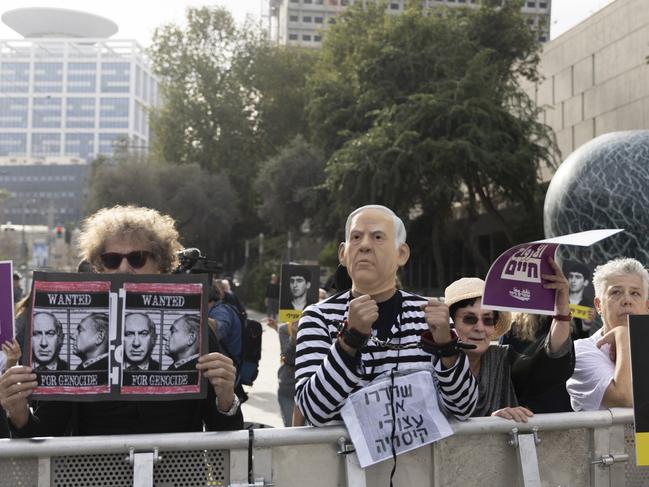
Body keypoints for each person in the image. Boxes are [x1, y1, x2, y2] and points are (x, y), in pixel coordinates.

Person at [0, 205, 242, 436]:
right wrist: (18, 412)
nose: (124, 267)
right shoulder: (75, 343)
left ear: (160, 264)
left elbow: (225, 432)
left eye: (137, 258)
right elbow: (46, 432)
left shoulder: (195, 326)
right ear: (99, 267)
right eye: (112, 260)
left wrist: (226, 397)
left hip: (178, 474)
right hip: (94, 475)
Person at [295, 204, 479, 426]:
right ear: (343, 254)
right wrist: (349, 341)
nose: (364, 245)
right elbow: (314, 412)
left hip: (420, 459)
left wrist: (447, 348)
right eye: (356, 237)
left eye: (378, 237)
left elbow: (464, 408)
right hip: (344, 460)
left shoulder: (430, 317)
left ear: (401, 253)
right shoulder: (318, 317)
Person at [444, 271, 574, 422]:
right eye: (469, 319)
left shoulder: (503, 359)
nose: (480, 328)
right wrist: (490, 422)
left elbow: (547, 367)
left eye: (488, 320)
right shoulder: (431, 363)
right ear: (451, 323)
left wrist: (561, 310)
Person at [566, 257, 649, 411]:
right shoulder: (580, 351)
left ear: (647, 306)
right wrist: (623, 336)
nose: (627, 300)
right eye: (616, 292)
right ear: (598, 305)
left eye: (635, 293)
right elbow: (624, 399)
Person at [208, 286, 242, 367]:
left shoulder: (221, 310)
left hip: (227, 367)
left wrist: (196, 316)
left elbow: (219, 329)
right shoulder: (220, 308)